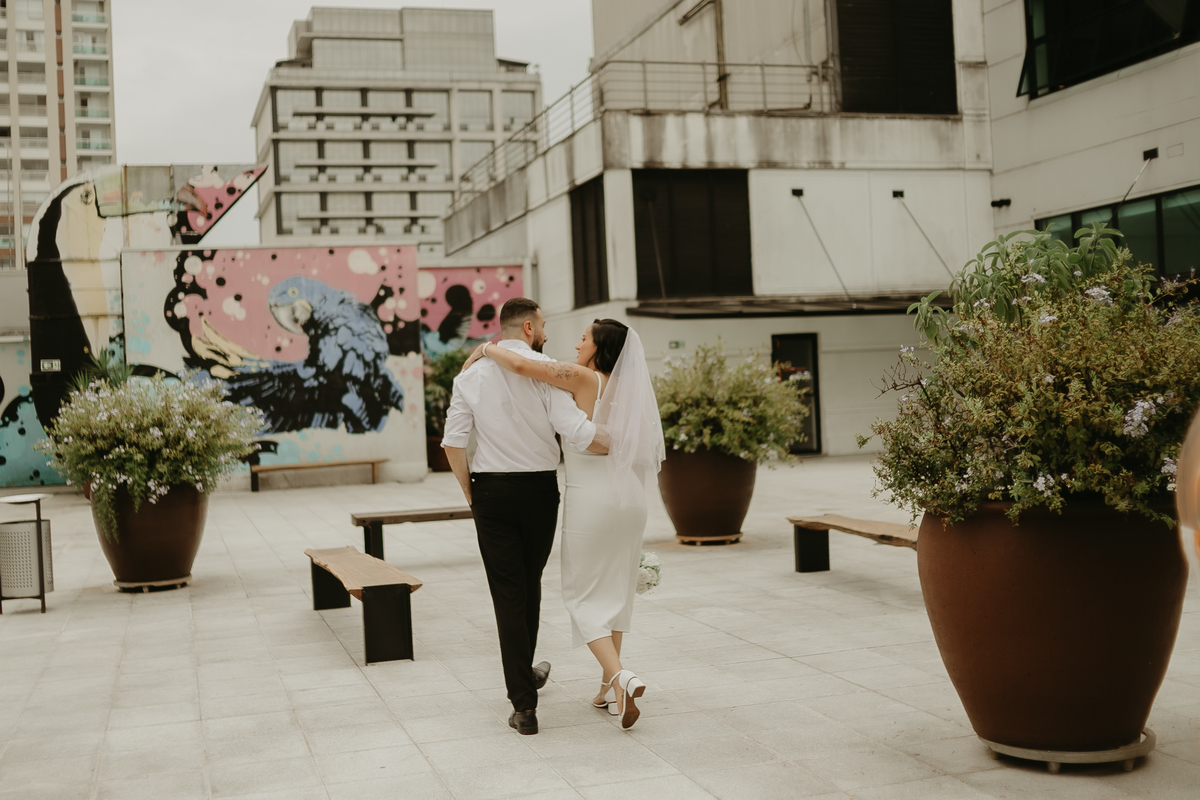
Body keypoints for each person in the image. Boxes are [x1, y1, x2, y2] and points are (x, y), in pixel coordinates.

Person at [464, 318, 665, 729]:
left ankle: (623, 676)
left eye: (584, 338)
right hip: (631, 501)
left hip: (594, 503)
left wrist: (485, 348)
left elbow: (523, 365)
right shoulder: (630, 389)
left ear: (600, 347)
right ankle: (610, 692)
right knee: (615, 594)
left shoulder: (583, 378)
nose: (576, 345)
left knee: (582, 598)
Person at [441, 298, 608, 736]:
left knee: (510, 593)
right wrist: (619, 440)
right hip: (538, 492)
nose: (547, 332)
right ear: (530, 328)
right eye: (544, 325)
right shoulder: (548, 372)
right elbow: (573, 430)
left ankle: (524, 700)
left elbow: (453, 443)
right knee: (527, 585)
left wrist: (471, 494)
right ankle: (524, 686)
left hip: (490, 492)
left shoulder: (470, 375)